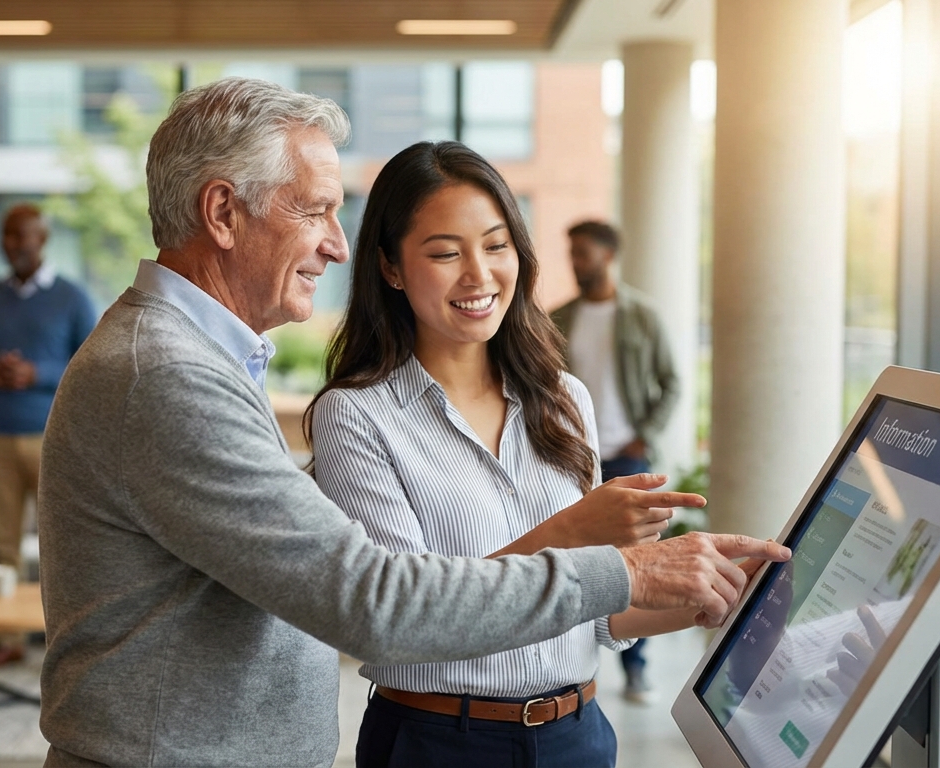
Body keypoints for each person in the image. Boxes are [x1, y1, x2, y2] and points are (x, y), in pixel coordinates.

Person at [37, 77, 789, 768]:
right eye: (314, 209)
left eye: (496, 246)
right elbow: (375, 603)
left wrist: (702, 591)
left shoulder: (200, 362)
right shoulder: (168, 375)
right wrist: (621, 565)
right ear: (224, 213)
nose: (336, 242)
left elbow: (571, 617)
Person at [308, 141, 727, 766]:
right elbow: (396, 628)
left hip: (577, 734)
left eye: (496, 245)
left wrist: (709, 594)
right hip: (440, 742)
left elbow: (590, 615)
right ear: (391, 268)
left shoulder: (563, 400)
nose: (479, 275)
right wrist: (573, 532)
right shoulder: (357, 416)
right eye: (446, 253)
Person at [0, 203, 97, 669]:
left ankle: (64, 643)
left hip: (52, 438)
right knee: (3, 544)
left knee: (61, 545)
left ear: (43, 239)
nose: (14, 245)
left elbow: (93, 364)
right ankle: (7, 641)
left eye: (23, 236)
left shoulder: (72, 298)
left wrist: (35, 372)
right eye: (7, 236)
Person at [552, 220, 682, 703]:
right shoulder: (559, 318)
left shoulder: (641, 316)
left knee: (636, 559)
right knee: (576, 553)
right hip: (573, 458)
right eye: (572, 253)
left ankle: (636, 667)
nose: (575, 261)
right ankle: (571, 660)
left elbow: (671, 381)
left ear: (607, 255)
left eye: (582, 252)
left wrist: (642, 436)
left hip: (629, 459)